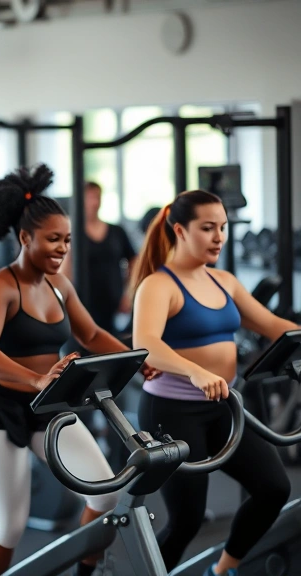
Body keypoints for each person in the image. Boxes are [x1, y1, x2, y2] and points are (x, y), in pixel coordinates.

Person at [0, 165, 157, 576]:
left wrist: (141, 361)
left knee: (105, 497)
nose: (62, 248)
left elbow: (90, 332)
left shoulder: (59, 286)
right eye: (53, 239)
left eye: (67, 240)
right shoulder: (0, 286)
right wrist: (34, 378)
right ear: (25, 238)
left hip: (49, 406)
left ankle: (84, 573)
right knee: (11, 525)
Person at [132, 190, 296, 576]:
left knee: (274, 488)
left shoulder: (224, 281)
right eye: (208, 228)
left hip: (223, 406)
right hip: (172, 412)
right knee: (186, 521)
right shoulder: (159, 285)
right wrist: (195, 370)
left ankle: (222, 570)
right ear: (179, 230)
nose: (219, 236)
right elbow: (146, 345)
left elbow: (275, 327)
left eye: (222, 227)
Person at [60, 182, 136, 334]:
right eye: (90, 197)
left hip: (114, 303)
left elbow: (134, 260)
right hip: (84, 303)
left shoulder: (116, 231)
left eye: (97, 197)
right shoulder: (72, 234)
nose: (94, 202)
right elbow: (63, 273)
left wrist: (129, 293)